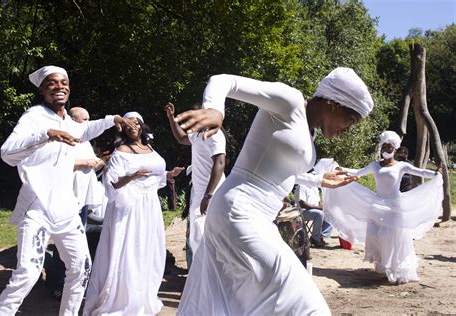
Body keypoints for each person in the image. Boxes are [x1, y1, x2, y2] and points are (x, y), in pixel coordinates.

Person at [175, 68, 373, 315]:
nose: (348, 129)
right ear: (334, 104)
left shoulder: (308, 132)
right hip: (239, 210)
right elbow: (224, 80)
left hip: (257, 216)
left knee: (240, 302)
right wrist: (215, 109)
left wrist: (320, 179)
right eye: (350, 121)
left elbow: (277, 169)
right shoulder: (289, 101)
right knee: (306, 305)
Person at [0, 66, 136, 316]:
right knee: (28, 272)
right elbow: (7, 153)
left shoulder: (69, 121)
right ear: (42, 89)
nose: (59, 86)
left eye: (64, 82)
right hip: (37, 207)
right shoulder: (34, 117)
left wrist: (114, 119)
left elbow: (87, 128)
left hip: (66, 209)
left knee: (81, 268)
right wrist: (46, 135)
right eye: (52, 83)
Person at [83, 111, 184, 315]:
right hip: (128, 208)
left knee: (147, 248)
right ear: (123, 128)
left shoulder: (149, 147)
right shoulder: (120, 151)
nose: (133, 126)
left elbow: (153, 175)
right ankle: (122, 298)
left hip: (149, 206)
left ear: (142, 126)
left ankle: (143, 294)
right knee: (129, 249)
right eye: (129, 124)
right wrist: (131, 177)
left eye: (137, 123)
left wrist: (168, 174)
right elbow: (111, 183)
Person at [323, 131, 443, 284]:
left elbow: (420, 172)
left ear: (394, 149)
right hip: (377, 205)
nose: (386, 149)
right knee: (373, 234)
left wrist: (436, 174)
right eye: (384, 146)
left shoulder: (401, 166)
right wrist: (343, 169)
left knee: (392, 237)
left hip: (395, 206)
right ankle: (382, 264)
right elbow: (359, 172)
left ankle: (394, 268)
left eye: (389, 147)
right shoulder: (375, 165)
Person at [46, 106, 106, 299]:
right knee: (62, 243)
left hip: (82, 201)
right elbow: (53, 164)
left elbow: (92, 164)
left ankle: (76, 283)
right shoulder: (63, 137)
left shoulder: (85, 140)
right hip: (66, 199)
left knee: (79, 244)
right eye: (85, 119)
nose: (88, 123)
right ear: (73, 119)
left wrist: (101, 161)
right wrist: (85, 163)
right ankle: (57, 284)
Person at [165, 102, 226, 259]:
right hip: (200, 192)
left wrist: (208, 195)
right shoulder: (199, 135)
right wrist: (172, 118)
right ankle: (201, 272)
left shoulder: (214, 135)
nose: (194, 118)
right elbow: (181, 138)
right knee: (198, 235)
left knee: (209, 234)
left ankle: (210, 273)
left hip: (212, 192)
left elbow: (219, 163)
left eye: (197, 114)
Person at [295, 179, 333, 248]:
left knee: (331, 213)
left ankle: (320, 235)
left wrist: (324, 208)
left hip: (314, 211)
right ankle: (316, 239)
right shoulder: (302, 186)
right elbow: (302, 204)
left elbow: (319, 202)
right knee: (319, 214)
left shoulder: (315, 187)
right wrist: (319, 208)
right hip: (302, 212)